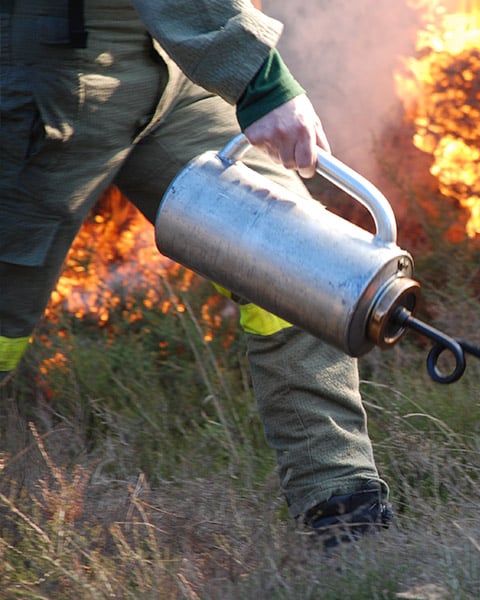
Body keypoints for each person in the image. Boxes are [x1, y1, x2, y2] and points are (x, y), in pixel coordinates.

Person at [0, 0, 391, 549]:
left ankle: (346, 517)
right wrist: (261, 78)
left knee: (307, 267)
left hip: (176, 60)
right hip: (50, 68)